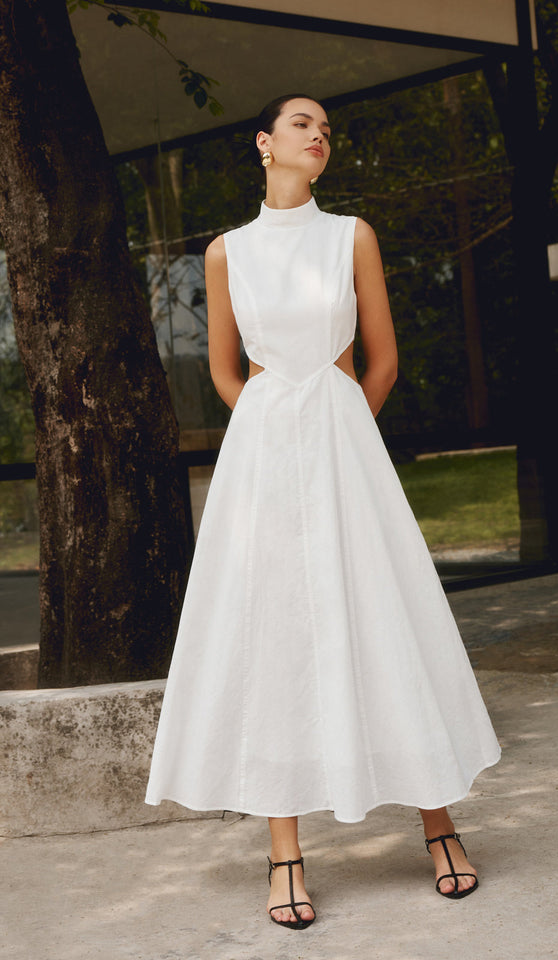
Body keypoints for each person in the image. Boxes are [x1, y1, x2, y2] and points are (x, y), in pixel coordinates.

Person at [145, 94, 501, 930]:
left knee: (384, 620)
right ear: (264, 143)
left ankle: (440, 824)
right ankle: (284, 851)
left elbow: (381, 360)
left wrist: (339, 429)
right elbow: (228, 372)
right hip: (264, 461)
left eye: (328, 130)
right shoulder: (225, 253)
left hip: (345, 452)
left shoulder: (352, 236)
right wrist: (275, 426)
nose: (320, 136)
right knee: (276, 635)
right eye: (304, 124)